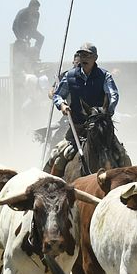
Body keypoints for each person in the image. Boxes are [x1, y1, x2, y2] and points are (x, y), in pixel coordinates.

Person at [49, 42, 128, 176]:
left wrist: (107, 111)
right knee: (57, 157)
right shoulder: (70, 76)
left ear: (95, 58)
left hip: (102, 129)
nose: (83, 58)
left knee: (123, 157)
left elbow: (113, 95)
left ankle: (129, 188)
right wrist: (62, 105)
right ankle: (51, 188)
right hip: (77, 129)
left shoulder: (105, 76)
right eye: (81, 54)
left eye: (87, 55)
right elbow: (58, 95)